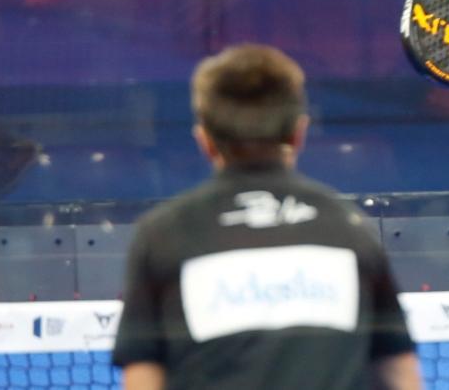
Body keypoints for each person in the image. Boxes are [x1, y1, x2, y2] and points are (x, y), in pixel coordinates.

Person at [111, 44, 421, 390]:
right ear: (298, 134)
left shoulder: (161, 235)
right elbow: (398, 372)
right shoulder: (351, 229)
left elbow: (143, 377)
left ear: (205, 140)